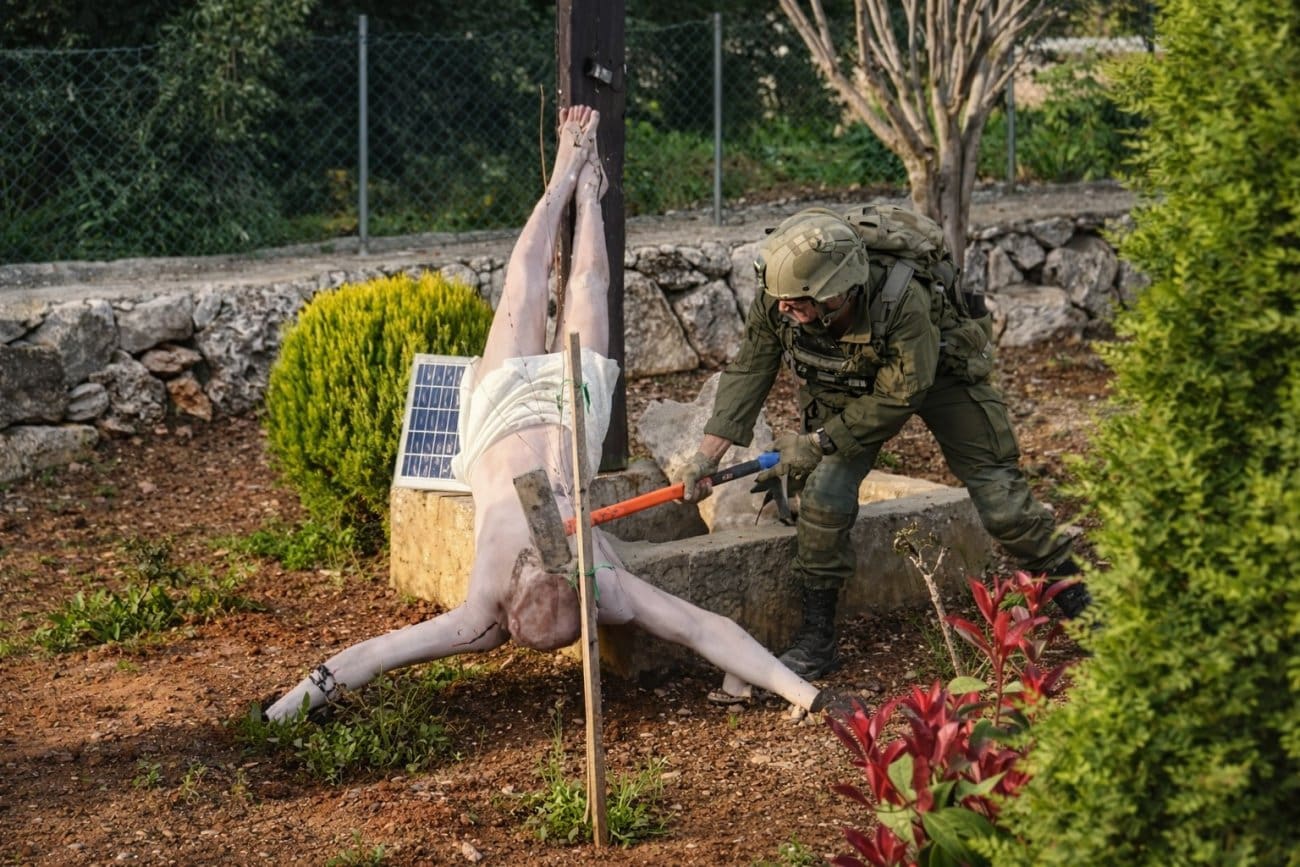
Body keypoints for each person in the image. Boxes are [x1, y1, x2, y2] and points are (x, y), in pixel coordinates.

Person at [264, 106, 842, 723]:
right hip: (570, 415)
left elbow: (378, 654)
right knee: (581, 285)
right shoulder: (556, 599)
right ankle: (581, 187)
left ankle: (576, 179)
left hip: (497, 416)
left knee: (533, 283)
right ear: (510, 609)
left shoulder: (545, 595)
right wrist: (808, 694)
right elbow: (706, 629)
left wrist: (290, 706)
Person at [675, 206, 1092, 679]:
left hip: (939, 378)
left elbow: (900, 395)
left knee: (1005, 507)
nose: (785, 310)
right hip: (850, 389)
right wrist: (706, 457)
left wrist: (816, 442)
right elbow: (750, 370)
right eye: (782, 301)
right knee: (823, 502)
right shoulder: (781, 296)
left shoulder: (903, 300)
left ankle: (1087, 608)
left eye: (797, 303)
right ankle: (818, 639)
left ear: (837, 294)